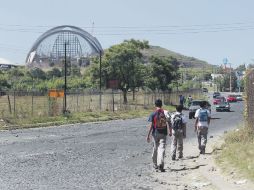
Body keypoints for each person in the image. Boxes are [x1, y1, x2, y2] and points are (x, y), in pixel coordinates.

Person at [146, 99, 172, 172]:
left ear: (155, 105)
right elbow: (169, 122)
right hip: (163, 133)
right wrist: (170, 131)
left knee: (155, 148)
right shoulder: (165, 112)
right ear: (161, 105)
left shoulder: (153, 113)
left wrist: (148, 135)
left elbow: (151, 125)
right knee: (162, 148)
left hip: (155, 133)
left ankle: (155, 164)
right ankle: (160, 163)